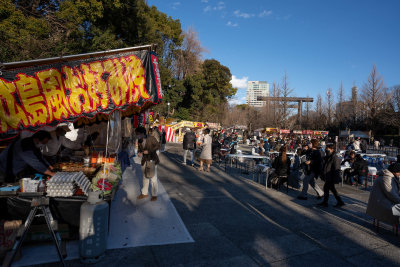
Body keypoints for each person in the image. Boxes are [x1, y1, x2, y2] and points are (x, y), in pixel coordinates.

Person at [136, 127, 160, 201]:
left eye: (138, 134)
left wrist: (149, 151)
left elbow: (158, 146)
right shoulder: (139, 140)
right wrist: (139, 152)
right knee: (145, 177)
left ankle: (154, 195)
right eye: (137, 134)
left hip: (152, 160)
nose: (137, 136)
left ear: (143, 133)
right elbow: (139, 149)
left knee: (153, 178)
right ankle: (144, 193)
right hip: (144, 160)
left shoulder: (151, 138)